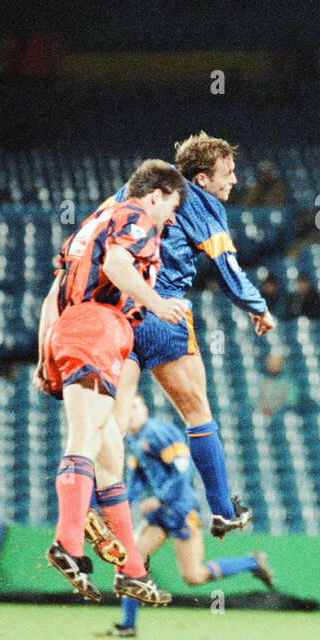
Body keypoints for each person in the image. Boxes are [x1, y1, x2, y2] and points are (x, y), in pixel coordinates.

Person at [99, 133, 276, 549]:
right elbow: (227, 268)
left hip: (117, 310)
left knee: (114, 421)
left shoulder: (139, 187)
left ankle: (94, 509)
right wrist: (257, 307)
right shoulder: (204, 206)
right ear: (200, 178)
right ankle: (222, 509)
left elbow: (99, 229)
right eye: (227, 174)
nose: (233, 181)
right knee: (197, 411)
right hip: (163, 312)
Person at [33, 158, 189, 603]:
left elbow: (53, 295)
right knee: (85, 437)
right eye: (172, 206)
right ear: (155, 194)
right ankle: (67, 543)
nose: (172, 217)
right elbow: (120, 265)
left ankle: (132, 571)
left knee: (109, 458)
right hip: (98, 327)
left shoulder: (92, 223)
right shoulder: (136, 215)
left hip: (76, 329)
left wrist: (45, 353)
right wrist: (158, 303)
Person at [106, 410, 274, 638]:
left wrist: (160, 498)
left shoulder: (157, 432)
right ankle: (128, 624)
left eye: (136, 407)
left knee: (194, 576)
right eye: (129, 408)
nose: (132, 412)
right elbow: (136, 483)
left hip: (182, 511)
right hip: (161, 515)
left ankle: (252, 561)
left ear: (145, 409)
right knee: (132, 559)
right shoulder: (135, 442)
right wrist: (119, 507)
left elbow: (183, 470)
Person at [256, 353, 299, 418]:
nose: (272, 365)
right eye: (270, 363)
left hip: (282, 417)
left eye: (276, 363)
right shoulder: (265, 383)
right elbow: (260, 401)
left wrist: (273, 410)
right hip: (265, 416)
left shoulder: (289, 383)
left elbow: (291, 402)